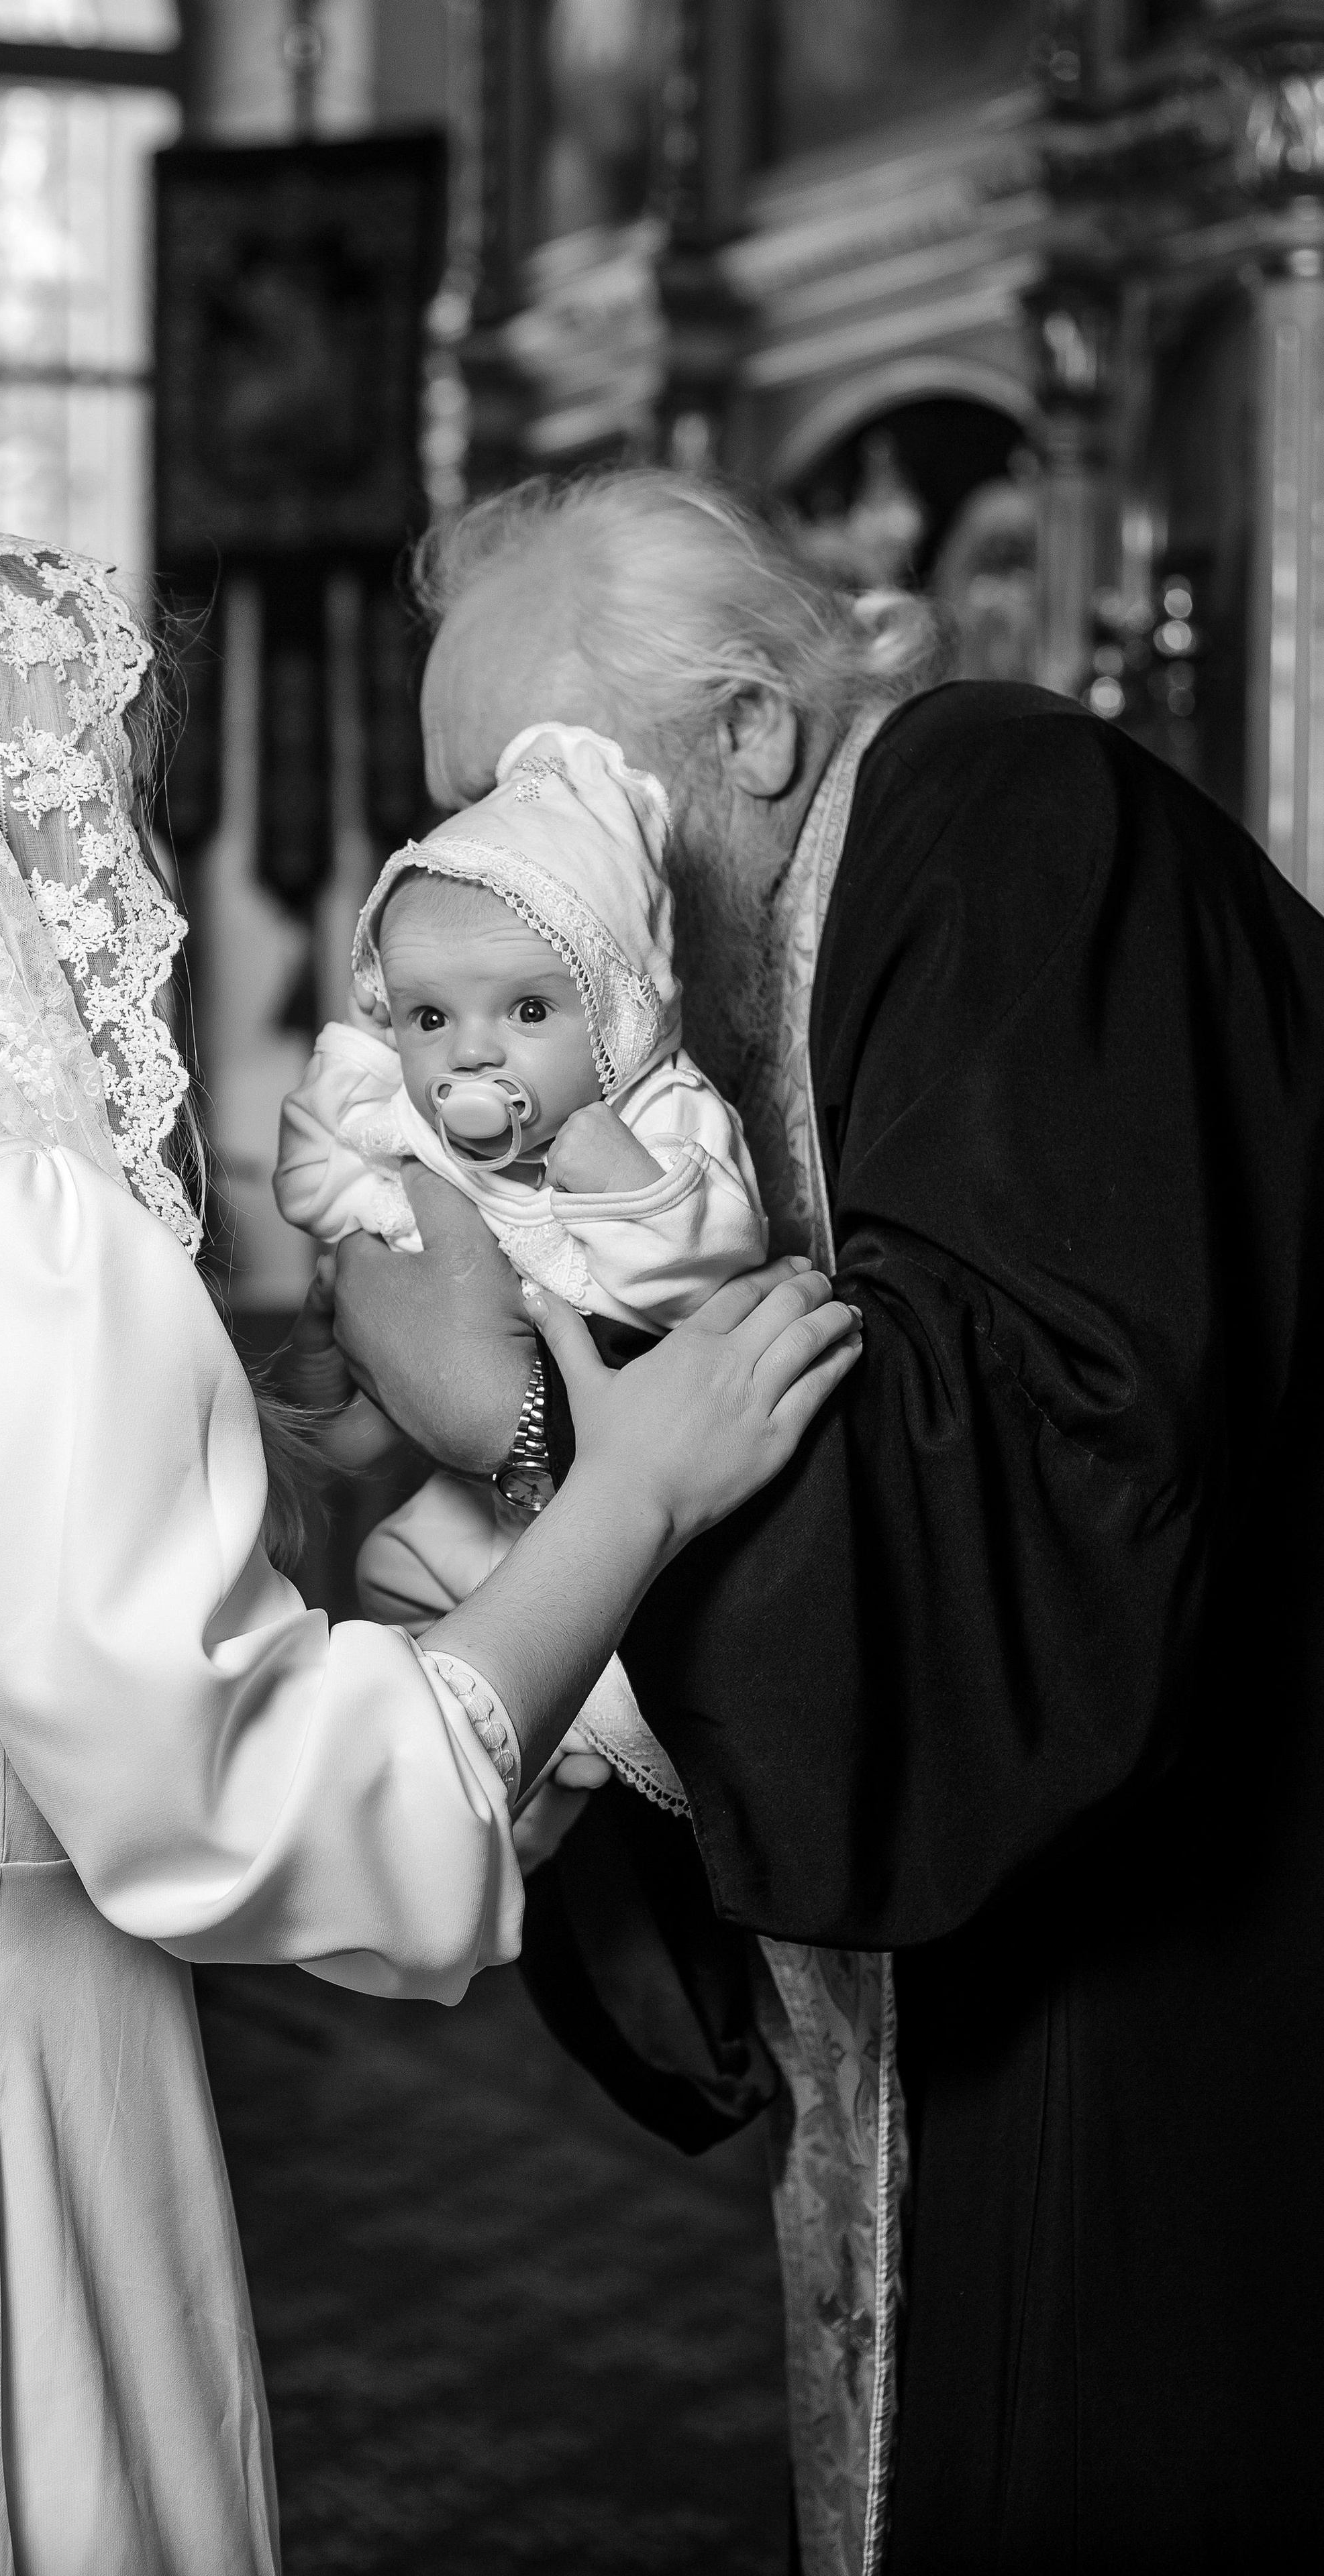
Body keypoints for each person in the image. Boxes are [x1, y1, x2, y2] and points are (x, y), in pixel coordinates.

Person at [0, 528, 862, 2576]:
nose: (145, 885)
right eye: (100, 809)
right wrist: (629, 1492)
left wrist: (294, 1478)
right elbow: (229, 1804)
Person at [325, 469, 1324, 2574]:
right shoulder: (736, 1003)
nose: (499, 881)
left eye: (542, 794)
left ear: (753, 734)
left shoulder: (1016, 826)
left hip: (1191, 1940)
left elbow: (1042, 1489)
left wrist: (512, 1418)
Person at [274, 718, 767, 1808]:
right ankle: (506, 1805)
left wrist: (620, 1182)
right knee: (396, 1573)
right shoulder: (415, 1118)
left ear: (619, 1014)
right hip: (473, 1493)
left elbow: (710, 1262)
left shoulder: (664, 1117)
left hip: (629, 1460)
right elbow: (314, 1177)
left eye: (529, 1009)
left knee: (631, 1648)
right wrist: (372, 1158)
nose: (471, 1052)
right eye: (428, 1015)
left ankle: (587, 1740)